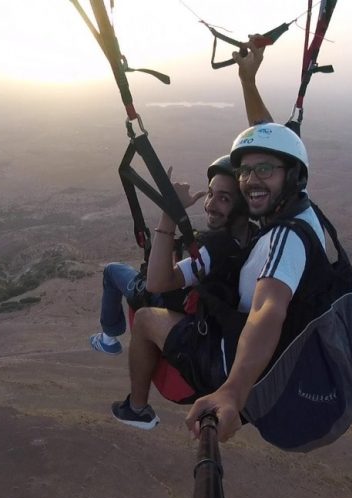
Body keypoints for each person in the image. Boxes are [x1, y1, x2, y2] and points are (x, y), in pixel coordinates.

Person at [111, 38, 326, 437]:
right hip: (253, 347)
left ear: (290, 174)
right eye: (247, 173)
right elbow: (272, 140)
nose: (252, 180)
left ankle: (136, 408)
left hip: (229, 361)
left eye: (264, 171)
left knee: (143, 317)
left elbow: (267, 310)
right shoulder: (294, 205)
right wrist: (248, 79)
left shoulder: (285, 239)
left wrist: (232, 391)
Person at [89, 156, 251, 356]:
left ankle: (108, 339)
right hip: (201, 306)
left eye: (224, 198)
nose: (210, 204)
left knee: (112, 271)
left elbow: (155, 283)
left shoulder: (216, 249)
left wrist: (171, 211)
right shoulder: (252, 238)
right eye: (210, 194)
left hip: (165, 303)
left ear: (244, 205)